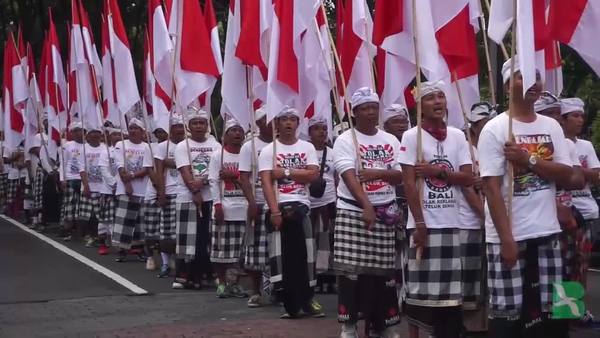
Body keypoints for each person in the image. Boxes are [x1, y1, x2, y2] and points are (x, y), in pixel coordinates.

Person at [478, 57, 572, 336]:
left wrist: (528, 159)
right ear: (507, 86)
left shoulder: (552, 126)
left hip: (550, 232)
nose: (532, 82)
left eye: (536, 76)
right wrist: (507, 239)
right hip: (509, 238)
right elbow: (491, 188)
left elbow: (566, 174)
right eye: (522, 76)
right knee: (508, 317)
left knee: (561, 312)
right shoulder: (494, 129)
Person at [399, 82, 475, 338]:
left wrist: (437, 171)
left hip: (451, 223)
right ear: (420, 106)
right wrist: (419, 223)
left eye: (441, 97)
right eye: (431, 98)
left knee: (449, 293)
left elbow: (468, 178)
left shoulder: (457, 135)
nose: (438, 102)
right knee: (420, 291)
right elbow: (409, 183)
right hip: (424, 225)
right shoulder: (411, 136)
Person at [333, 88, 403, 338]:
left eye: (374, 106)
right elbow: (348, 174)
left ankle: (382, 325)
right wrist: (366, 206)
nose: (371, 112)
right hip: (353, 212)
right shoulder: (345, 140)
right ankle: (348, 326)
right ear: (354, 112)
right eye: (364, 108)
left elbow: (400, 175)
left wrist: (378, 174)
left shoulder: (391, 141)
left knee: (383, 276)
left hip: (385, 212)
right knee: (351, 273)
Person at [258, 106, 323, 319]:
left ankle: (308, 298)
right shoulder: (269, 150)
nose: (287, 123)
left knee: (306, 255)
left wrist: (285, 172)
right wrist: (274, 211)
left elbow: (313, 175)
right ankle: (289, 302)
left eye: (292, 119)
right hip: (278, 206)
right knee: (282, 257)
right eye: (283, 119)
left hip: (301, 205)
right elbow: (267, 181)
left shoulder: (307, 147)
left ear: (298, 123)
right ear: (276, 123)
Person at [559, 97, 600, 326]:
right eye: (575, 115)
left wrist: (576, 174)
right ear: (562, 120)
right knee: (565, 265)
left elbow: (596, 175)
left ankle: (576, 312)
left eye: (582, 115)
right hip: (566, 212)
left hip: (589, 213)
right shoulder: (559, 144)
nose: (580, 120)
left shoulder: (585, 146)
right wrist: (577, 174)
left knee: (581, 265)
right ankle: (566, 314)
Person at [173, 107, 220, 290]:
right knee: (187, 239)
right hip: (187, 198)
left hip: (210, 196)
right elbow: (185, 171)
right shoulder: (182, 146)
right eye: (195, 123)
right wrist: (194, 190)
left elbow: (217, 170)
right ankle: (185, 275)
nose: (199, 126)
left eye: (202, 123)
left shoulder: (216, 145)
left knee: (205, 238)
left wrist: (204, 182)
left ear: (207, 125)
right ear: (188, 126)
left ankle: (206, 273)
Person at [457, 102, 494, 332]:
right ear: (473, 125)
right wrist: (484, 215)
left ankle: (481, 326)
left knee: (485, 278)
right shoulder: (464, 149)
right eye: (484, 123)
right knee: (468, 278)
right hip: (469, 222)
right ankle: (466, 327)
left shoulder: (492, 147)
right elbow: (467, 187)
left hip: (491, 223)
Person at [209, 119, 248, 298]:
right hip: (224, 207)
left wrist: (235, 175)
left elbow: (252, 178)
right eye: (233, 130)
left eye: (240, 130)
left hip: (244, 207)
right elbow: (213, 181)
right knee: (220, 250)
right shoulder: (218, 155)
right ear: (225, 135)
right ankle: (222, 283)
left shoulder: (248, 154)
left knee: (241, 252)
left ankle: (235, 283)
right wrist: (217, 205)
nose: (237, 134)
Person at [239, 107, 273, 307]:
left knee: (276, 249)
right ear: (259, 123)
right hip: (258, 202)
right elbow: (243, 177)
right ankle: (255, 291)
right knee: (255, 250)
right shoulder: (249, 146)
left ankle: (279, 289)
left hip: (279, 203)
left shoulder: (281, 145)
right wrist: (252, 202)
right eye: (267, 120)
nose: (272, 123)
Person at [112, 118, 153, 262]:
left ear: (143, 132)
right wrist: (127, 184)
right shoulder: (120, 145)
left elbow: (148, 168)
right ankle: (122, 250)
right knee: (125, 220)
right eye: (131, 128)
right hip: (125, 189)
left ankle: (139, 249)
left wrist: (132, 176)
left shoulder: (147, 147)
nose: (133, 131)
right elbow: (120, 166)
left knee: (140, 222)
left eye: (136, 128)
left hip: (143, 189)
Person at [307, 116, 337, 294]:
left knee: (328, 242)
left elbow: (337, 178)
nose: (321, 132)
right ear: (309, 132)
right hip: (310, 203)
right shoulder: (305, 151)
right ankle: (314, 277)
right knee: (312, 242)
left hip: (329, 202)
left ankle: (329, 278)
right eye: (317, 128)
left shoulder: (333, 153)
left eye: (324, 129)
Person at [154, 116, 186, 278]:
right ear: (170, 129)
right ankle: (165, 263)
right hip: (169, 191)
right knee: (166, 231)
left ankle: (180, 263)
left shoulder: (188, 145)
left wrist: (172, 162)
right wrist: (161, 192)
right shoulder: (162, 147)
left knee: (181, 232)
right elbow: (159, 170)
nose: (179, 129)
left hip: (185, 193)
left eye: (182, 126)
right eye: (176, 126)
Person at [79, 128, 110, 248]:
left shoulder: (105, 148)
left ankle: (100, 237)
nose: (95, 135)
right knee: (87, 215)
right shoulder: (83, 148)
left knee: (101, 215)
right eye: (92, 133)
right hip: (88, 186)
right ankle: (90, 236)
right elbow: (82, 169)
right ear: (87, 135)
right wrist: (86, 186)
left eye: (97, 133)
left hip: (102, 188)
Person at [59, 122, 85, 241]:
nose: (79, 133)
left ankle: (80, 232)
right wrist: (62, 178)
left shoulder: (87, 145)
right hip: (70, 178)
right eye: (76, 130)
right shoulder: (67, 145)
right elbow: (63, 163)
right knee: (69, 204)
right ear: (72, 133)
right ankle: (66, 230)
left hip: (83, 179)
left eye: (81, 130)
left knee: (82, 205)